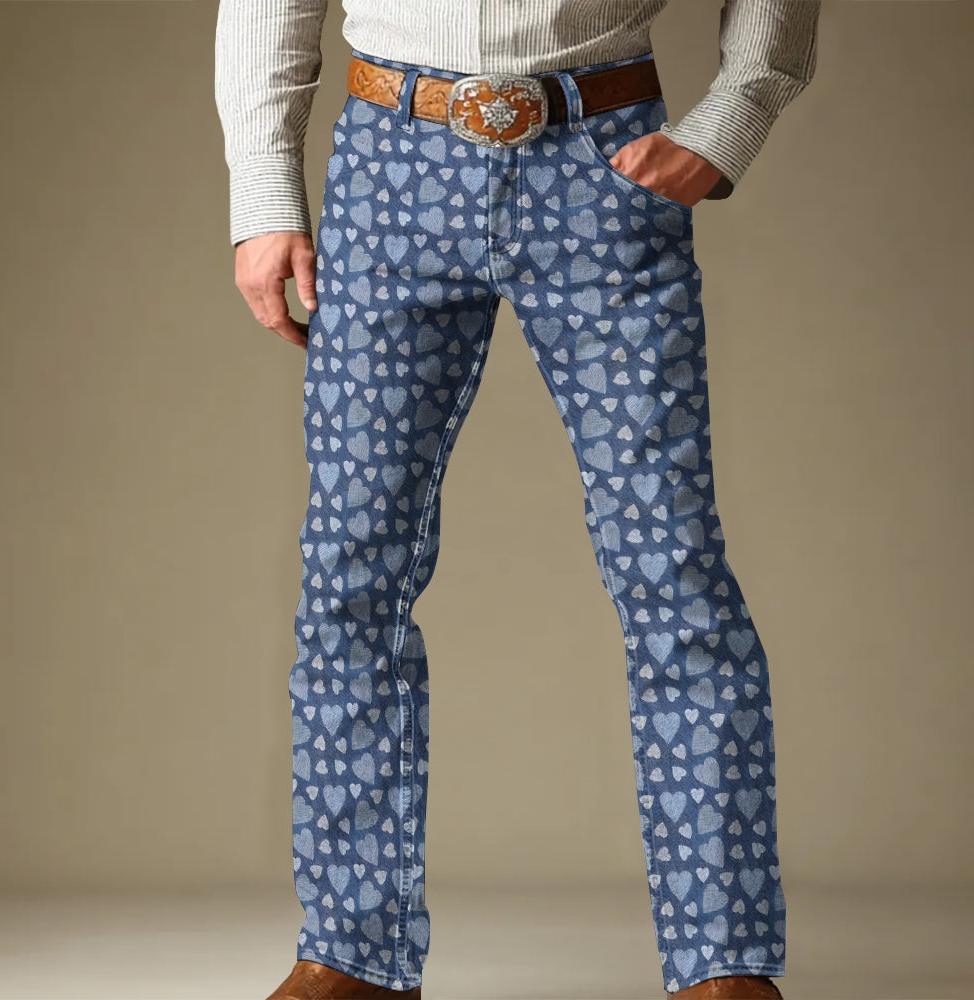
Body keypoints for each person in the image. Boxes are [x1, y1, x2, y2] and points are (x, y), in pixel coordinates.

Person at [214, 3, 821, 998]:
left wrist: (732, 117)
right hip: (391, 166)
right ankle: (351, 957)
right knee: (349, 577)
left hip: (602, 159)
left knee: (673, 575)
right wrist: (264, 188)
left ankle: (723, 966)